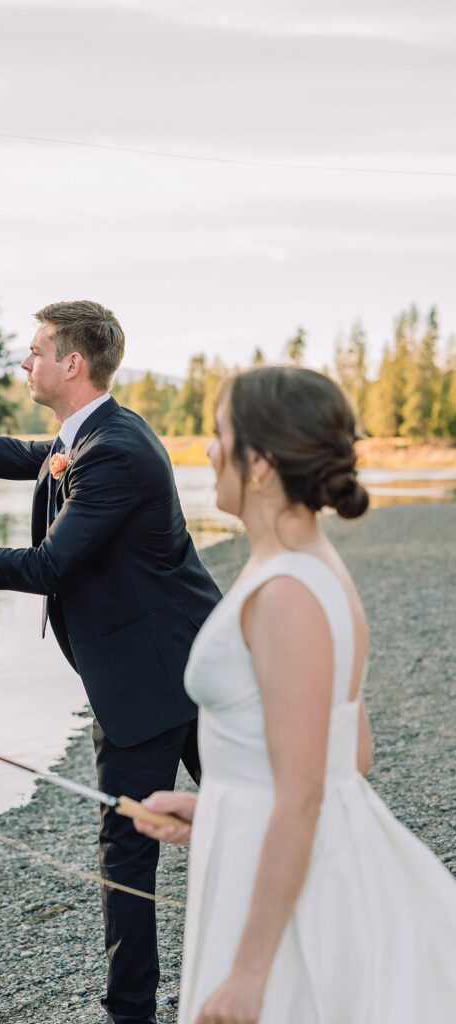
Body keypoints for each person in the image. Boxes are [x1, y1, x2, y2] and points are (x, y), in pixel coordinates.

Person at [0, 299, 222, 1024]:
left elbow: (50, 564)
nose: (24, 362)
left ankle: (133, 1013)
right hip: (181, 664)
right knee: (240, 823)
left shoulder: (113, 449)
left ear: (73, 363)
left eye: (35, 351)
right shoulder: (92, 435)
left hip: (160, 677)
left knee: (136, 848)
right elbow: (22, 455)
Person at [134, 365, 456, 1024]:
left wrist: (249, 976)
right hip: (262, 844)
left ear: (261, 463)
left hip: (293, 893)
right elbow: (351, 751)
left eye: (221, 433)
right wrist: (217, 807)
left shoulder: (287, 593)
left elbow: (307, 791)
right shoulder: (302, 568)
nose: (208, 450)